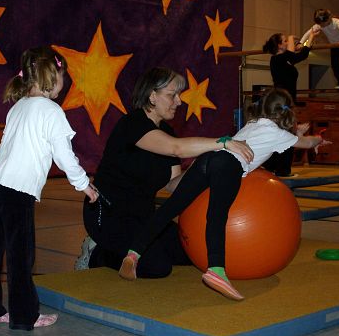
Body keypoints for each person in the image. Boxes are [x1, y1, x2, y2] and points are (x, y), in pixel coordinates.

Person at [118, 88, 330, 301]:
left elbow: (282, 140)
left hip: (208, 158)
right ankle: (216, 270)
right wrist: (318, 139)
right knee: (217, 215)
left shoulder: (253, 124)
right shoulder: (280, 135)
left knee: (170, 207)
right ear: (286, 113)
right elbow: (308, 143)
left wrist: (296, 135)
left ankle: (134, 253)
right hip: (228, 166)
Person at [0, 46, 98, 330]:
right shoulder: (51, 111)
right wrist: (84, 184)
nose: (65, 82)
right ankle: (25, 315)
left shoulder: (18, 107)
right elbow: (64, 157)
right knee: (20, 256)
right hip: (17, 191)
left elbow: (4, 147)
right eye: (64, 76)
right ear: (53, 75)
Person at [79, 67, 254, 279]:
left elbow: (172, 184)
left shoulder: (167, 132)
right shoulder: (133, 123)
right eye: (172, 95)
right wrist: (223, 143)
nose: (179, 101)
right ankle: (96, 253)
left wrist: (203, 170)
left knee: (189, 252)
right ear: (152, 96)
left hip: (142, 216)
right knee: (156, 267)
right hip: (109, 215)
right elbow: (176, 148)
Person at [261, 31, 315, 177]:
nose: (287, 42)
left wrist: (311, 37)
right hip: (281, 102)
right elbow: (292, 54)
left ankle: (272, 165)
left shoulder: (285, 59)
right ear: (279, 45)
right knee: (288, 135)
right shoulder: (277, 59)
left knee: (283, 134)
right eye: (284, 41)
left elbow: (302, 55)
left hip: (286, 100)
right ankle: (282, 170)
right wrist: (292, 38)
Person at [300, 8, 339, 89]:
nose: (321, 26)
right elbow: (308, 33)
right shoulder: (319, 25)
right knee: (335, 65)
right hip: (334, 45)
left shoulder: (336, 22)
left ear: (328, 19)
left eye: (323, 24)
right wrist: (301, 43)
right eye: (320, 24)